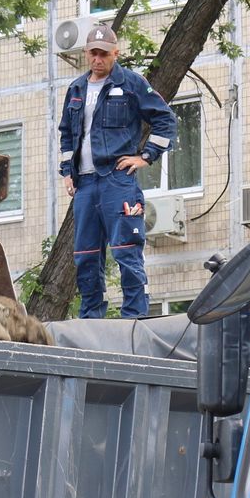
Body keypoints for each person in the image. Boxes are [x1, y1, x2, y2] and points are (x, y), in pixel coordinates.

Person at [58, 23, 176, 318]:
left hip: (117, 183)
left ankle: (134, 319)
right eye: (92, 53)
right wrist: (66, 171)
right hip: (84, 186)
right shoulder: (76, 89)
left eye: (104, 54)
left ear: (115, 53)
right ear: (86, 53)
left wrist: (145, 157)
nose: (97, 59)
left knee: (126, 251)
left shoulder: (132, 83)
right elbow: (66, 135)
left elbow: (166, 121)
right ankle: (92, 321)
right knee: (86, 256)